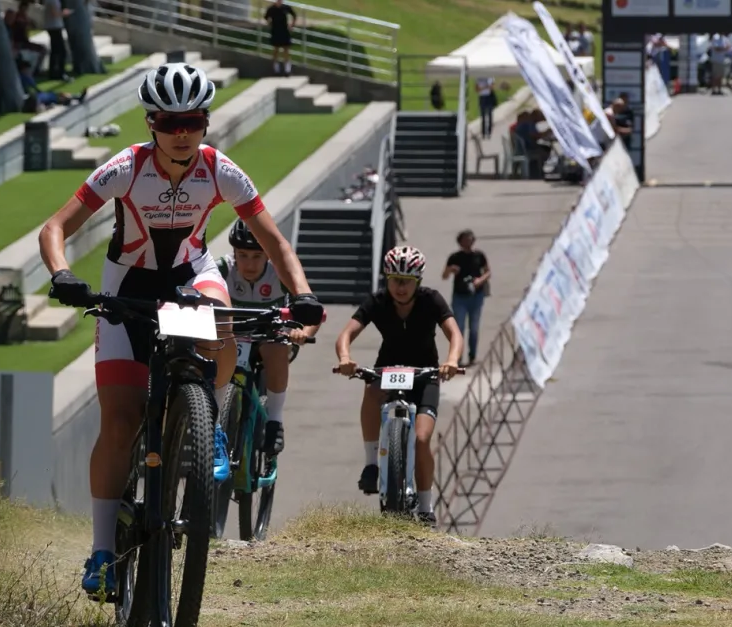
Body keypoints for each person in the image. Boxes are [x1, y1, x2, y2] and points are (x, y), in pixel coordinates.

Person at [38, 62, 325, 597]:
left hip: (192, 274)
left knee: (220, 322)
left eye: (192, 121)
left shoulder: (220, 169)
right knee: (119, 422)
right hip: (128, 284)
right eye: (170, 123)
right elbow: (55, 227)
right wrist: (62, 274)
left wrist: (303, 293)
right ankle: (101, 551)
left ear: (205, 122)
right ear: (151, 123)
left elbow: (275, 242)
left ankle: (208, 419)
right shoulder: (125, 167)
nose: (182, 133)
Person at [334, 245, 464, 524]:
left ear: (418, 282)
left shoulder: (431, 300)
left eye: (407, 282)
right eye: (395, 280)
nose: (400, 288)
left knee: (422, 439)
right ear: (387, 279)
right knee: (371, 389)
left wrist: (452, 360)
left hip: (425, 374)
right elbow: (345, 335)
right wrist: (345, 358)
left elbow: (454, 333)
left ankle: (426, 506)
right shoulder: (377, 301)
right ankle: (371, 464)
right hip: (388, 369)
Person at [215, 219, 320, 455]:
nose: (249, 264)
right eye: (242, 255)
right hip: (232, 336)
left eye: (257, 256)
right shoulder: (221, 269)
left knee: (276, 348)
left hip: (270, 336)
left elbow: (314, 311)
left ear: (268, 254)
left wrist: (303, 332)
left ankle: (275, 421)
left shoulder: (280, 273)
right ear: (234, 253)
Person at [441, 229, 489, 367]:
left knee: (474, 328)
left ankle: (472, 356)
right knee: (459, 328)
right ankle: (458, 357)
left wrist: (480, 280)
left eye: (470, 239)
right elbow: (444, 276)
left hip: (476, 296)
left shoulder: (479, 255)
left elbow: (487, 271)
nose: (468, 242)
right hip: (460, 297)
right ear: (460, 242)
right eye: (466, 239)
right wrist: (450, 270)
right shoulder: (454, 257)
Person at [264, 0, 296, 76]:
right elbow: (266, 17)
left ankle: (287, 69)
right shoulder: (271, 9)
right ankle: (276, 69)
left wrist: (292, 25)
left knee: (286, 49)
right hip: (275, 31)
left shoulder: (286, 7)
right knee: (276, 49)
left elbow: (294, 15)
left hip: (284, 30)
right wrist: (270, 24)